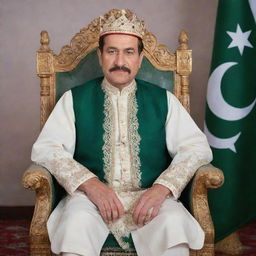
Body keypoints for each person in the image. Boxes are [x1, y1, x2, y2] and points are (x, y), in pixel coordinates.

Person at [31, 9, 212, 256]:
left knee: (174, 227)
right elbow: (47, 149)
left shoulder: (164, 100)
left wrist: (162, 189)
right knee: (75, 226)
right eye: (112, 51)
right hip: (88, 201)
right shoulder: (73, 100)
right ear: (100, 55)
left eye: (129, 52)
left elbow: (196, 148)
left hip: (150, 198)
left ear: (140, 58)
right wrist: (91, 185)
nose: (120, 62)